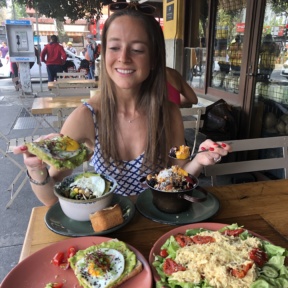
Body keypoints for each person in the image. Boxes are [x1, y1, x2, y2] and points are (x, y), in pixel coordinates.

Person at [14, 3, 231, 206]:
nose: (124, 58)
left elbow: (178, 176)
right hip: (107, 234)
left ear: (154, 58)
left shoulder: (168, 112)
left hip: (155, 222)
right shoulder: (86, 117)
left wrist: (200, 161)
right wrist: (36, 169)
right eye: (115, 47)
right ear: (104, 53)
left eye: (137, 49)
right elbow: (52, 200)